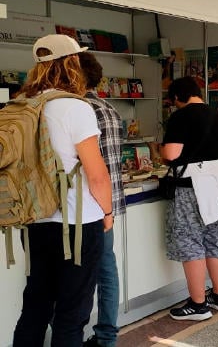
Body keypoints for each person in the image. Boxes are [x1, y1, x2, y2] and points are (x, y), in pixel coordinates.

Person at [13, 35, 113, 346]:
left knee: (35, 308)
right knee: (72, 314)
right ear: (71, 63)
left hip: (33, 220)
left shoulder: (21, 104)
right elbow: (97, 176)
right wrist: (108, 213)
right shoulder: (74, 107)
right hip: (77, 223)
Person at [159, 77, 218, 321]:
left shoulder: (180, 117)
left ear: (178, 97)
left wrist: (159, 152)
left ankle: (198, 304)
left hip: (190, 186)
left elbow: (171, 153)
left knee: (190, 240)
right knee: (214, 238)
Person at [79, 52, 125, 347]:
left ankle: (70, 334)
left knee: (78, 278)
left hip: (86, 207)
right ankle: (107, 336)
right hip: (108, 205)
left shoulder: (79, 110)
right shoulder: (109, 108)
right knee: (107, 271)